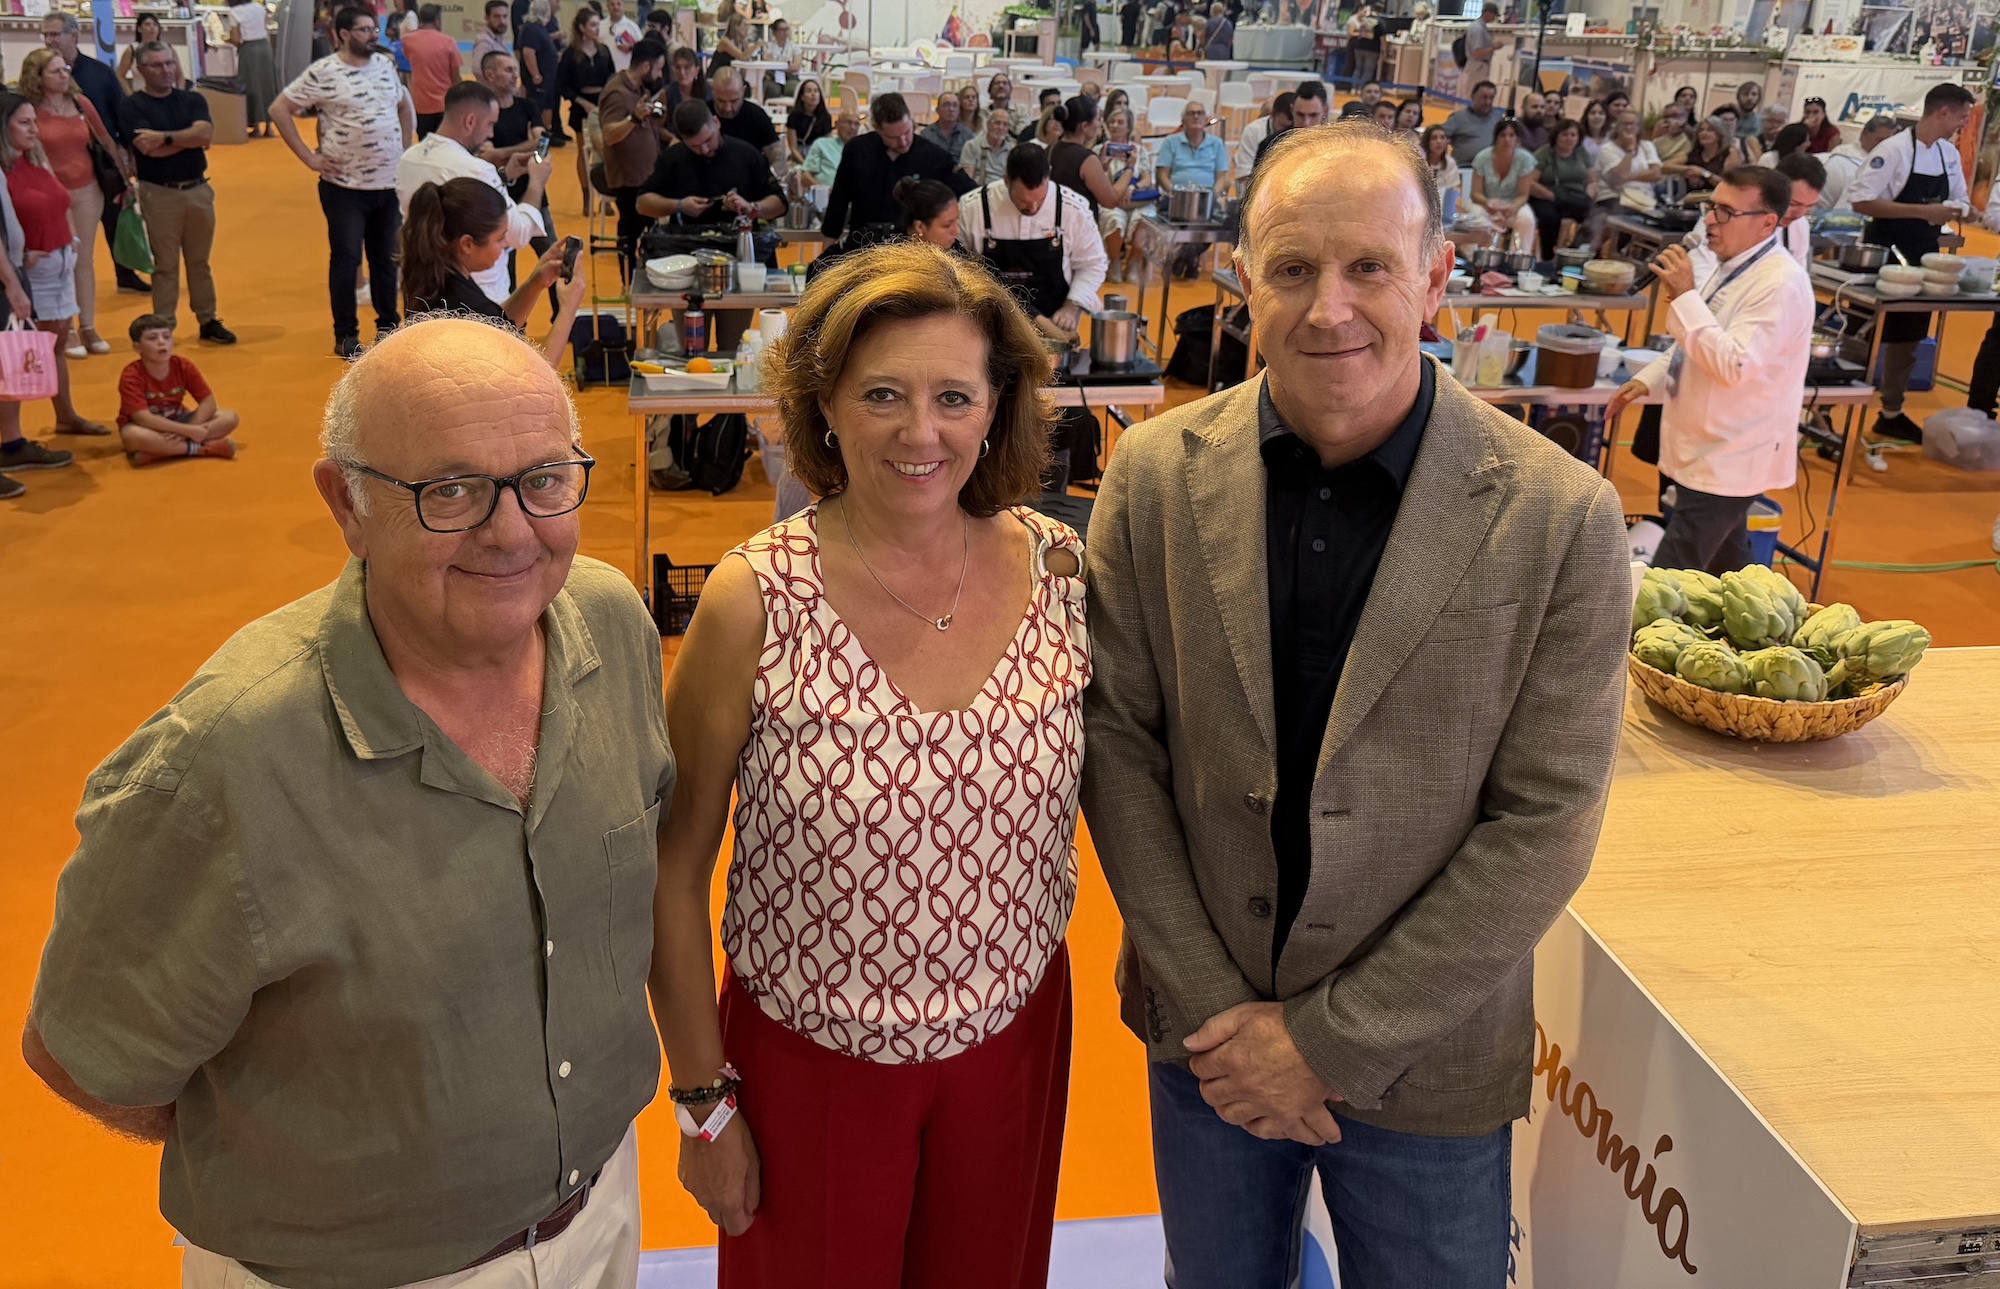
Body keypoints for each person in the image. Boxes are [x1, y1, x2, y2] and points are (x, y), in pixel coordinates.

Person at [1083, 118, 1631, 1287]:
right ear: (1242, 279)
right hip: (1206, 1031)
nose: (1327, 307)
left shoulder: (1557, 515)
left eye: (1368, 267)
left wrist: (1325, 1041)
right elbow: (1118, 744)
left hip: (1423, 1051)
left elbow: (1545, 819)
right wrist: (1219, 1009)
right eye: (1291, 267)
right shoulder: (1152, 475)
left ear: (1435, 276)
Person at [24, 316, 665, 1289]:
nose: (510, 532)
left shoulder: (609, 624)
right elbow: (85, 1053)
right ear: (346, 503)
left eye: (542, 479)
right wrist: (327, 1170)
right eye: (450, 490)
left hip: (602, 1211)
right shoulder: (226, 757)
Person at [652, 239, 1079, 1288]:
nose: (919, 432)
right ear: (825, 405)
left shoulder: (1062, 570)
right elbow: (671, 868)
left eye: (953, 396)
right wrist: (702, 1103)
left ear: (997, 407)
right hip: (808, 1063)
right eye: (882, 393)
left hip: (1011, 1046)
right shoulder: (755, 597)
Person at [1608, 166, 1811, 574]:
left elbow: (1734, 364)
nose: (1711, 220)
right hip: (1705, 444)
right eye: (1711, 207)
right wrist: (1646, 380)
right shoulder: (1733, 264)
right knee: (1729, 571)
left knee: (1670, 579)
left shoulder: (1780, 283)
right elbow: (1696, 339)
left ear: (1766, 223)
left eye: (1726, 212)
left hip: (1732, 452)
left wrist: (1685, 294)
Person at [272, 5, 415, 358]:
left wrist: (403, 148)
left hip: (387, 184)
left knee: (386, 260)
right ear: (344, 35)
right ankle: (345, 334)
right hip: (344, 187)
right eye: (364, 30)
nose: (372, 35)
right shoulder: (324, 72)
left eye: (374, 29)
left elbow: (403, 105)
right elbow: (280, 109)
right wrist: (310, 158)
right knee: (347, 259)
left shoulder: (385, 66)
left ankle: (388, 328)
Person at [1847, 82, 1976, 443]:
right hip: (1884, 252)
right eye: (1962, 117)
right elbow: (1861, 200)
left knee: (1909, 337)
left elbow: (1960, 199)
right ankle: (1829, 406)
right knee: (1864, 333)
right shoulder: (1893, 150)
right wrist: (1923, 211)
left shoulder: (1949, 154)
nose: (1963, 125)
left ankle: (1891, 411)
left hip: (1924, 254)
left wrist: (1963, 211)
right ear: (1942, 112)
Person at [0, 93, 109, 437]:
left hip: (60, 262)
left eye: (34, 121)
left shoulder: (35, 158)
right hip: (31, 270)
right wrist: (19, 263)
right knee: (21, 350)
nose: (35, 129)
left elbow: (60, 201)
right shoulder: (3, 171)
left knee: (57, 343)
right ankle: (12, 437)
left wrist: (71, 239)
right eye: (24, 123)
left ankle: (66, 416)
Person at [638, 99, 781, 350]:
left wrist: (751, 207)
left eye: (708, 141)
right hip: (687, 267)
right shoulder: (674, 158)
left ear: (716, 123)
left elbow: (779, 203)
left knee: (733, 348)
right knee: (692, 351)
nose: (704, 149)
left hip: (737, 264)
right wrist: (679, 205)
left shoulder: (746, 154)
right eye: (695, 146)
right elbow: (642, 203)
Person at [397, 79, 554, 304]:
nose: (490, 134)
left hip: (424, 289)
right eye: (490, 124)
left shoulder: (408, 159)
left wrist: (503, 176)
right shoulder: (476, 169)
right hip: (480, 295)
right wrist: (536, 182)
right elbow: (518, 233)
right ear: (470, 121)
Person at [400, 178, 586, 364]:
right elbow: (539, 377)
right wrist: (568, 311)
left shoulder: (432, 274)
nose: (506, 245)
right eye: (499, 239)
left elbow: (499, 326)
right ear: (467, 244)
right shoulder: (468, 307)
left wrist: (536, 282)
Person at [19, 48, 126, 359]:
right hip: (47, 200)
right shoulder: (29, 110)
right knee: (58, 262)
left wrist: (125, 179)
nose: (64, 75)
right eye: (56, 71)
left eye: (65, 69)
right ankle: (64, 329)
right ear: (38, 77)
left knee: (83, 260)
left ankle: (88, 325)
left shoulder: (80, 103)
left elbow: (105, 139)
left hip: (87, 190)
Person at [42, 10, 148, 296]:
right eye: (46, 35)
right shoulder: (38, 78)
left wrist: (128, 153)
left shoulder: (99, 73)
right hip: (60, 162)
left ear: (74, 36)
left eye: (55, 34)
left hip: (103, 157)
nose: (49, 41)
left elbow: (120, 113)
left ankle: (125, 273)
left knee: (115, 217)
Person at [0, 143, 78, 499]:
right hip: (12, 274)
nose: (33, 129)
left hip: (14, 271)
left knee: (7, 365)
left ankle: (12, 445)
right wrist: (12, 282)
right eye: (24, 121)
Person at [821, 92, 968, 248]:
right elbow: (839, 202)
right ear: (877, 128)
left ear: (911, 120)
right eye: (893, 137)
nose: (903, 142)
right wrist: (827, 248)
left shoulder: (935, 157)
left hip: (913, 251)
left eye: (907, 132)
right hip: (863, 246)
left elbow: (968, 194)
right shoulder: (857, 150)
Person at [115, 311, 239, 465]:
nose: (162, 342)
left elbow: (208, 402)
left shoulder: (183, 365)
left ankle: (160, 452)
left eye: (167, 337)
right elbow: (143, 418)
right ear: (137, 347)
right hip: (148, 427)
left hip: (179, 420)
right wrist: (189, 432)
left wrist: (190, 428)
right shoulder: (131, 375)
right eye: (152, 338)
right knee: (132, 437)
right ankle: (200, 448)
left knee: (229, 417)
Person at [596, 37, 669, 278]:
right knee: (629, 235)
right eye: (658, 68)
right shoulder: (616, 93)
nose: (659, 74)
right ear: (646, 66)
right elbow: (609, 135)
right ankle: (628, 283)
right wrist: (634, 119)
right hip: (629, 181)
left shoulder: (638, 90)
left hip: (646, 176)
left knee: (651, 236)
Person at [555, 8, 612, 207]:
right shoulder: (571, 54)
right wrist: (581, 101)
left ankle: (605, 196)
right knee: (584, 151)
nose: (597, 29)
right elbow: (562, 85)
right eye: (593, 25)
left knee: (606, 149)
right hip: (581, 107)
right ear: (582, 28)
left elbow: (612, 79)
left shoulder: (604, 51)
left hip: (604, 107)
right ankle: (586, 195)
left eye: (598, 25)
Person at [1048, 95, 1133, 225]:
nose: (1100, 125)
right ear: (1085, 126)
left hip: (1055, 223)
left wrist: (1100, 167)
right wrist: (1129, 168)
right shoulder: (1087, 159)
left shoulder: (1050, 149)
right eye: (1098, 119)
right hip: (1078, 228)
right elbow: (1111, 200)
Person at [1098, 105, 1153, 281]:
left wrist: (1131, 188)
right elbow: (1096, 179)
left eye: (1120, 122)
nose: (1115, 125)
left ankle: (1134, 262)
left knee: (1145, 218)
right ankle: (1114, 262)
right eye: (1112, 122)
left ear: (1128, 127)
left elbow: (1147, 178)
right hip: (1110, 199)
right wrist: (1104, 165)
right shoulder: (1100, 149)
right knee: (1113, 218)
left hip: (1135, 198)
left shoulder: (1139, 151)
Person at [1528, 115, 1596, 256]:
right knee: (1550, 217)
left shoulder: (1581, 152)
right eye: (1565, 134)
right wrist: (1552, 196)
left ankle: (1576, 251)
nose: (1569, 138)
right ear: (1556, 136)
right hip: (1546, 196)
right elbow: (1530, 183)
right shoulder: (1545, 153)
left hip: (1575, 196)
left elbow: (1592, 181)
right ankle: (1548, 256)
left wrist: (1588, 197)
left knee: (1595, 215)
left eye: (1573, 135)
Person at [1470, 116, 1538, 250]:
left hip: (1512, 203)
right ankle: (1473, 255)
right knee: (1475, 218)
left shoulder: (1525, 159)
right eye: (1503, 135)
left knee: (1526, 219)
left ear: (1517, 138)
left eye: (1511, 135)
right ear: (1496, 137)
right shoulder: (1482, 157)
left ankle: (1519, 256)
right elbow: (1475, 193)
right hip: (1485, 202)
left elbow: (1523, 195)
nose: (1507, 139)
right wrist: (1488, 204)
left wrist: (1512, 207)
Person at [1818, 113, 1898, 213]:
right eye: (1880, 140)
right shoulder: (1852, 167)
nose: (1885, 146)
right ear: (1863, 135)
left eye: (1889, 142)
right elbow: (1845, 214)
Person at [224, 0, 281, 137]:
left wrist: (225, 39)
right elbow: (265, 26)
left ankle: (255, 126)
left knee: (251, 85)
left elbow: (236, 38)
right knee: (267, 85)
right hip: (264, 48)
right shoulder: (259, 7)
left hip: (249, 50)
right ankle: (269, 126)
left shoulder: (234, 12)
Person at [708, 66, 780, 174]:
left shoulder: (757, 116)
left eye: (734, 101)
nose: (728, 108)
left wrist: (771, 180)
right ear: (712, 91)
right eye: (721, 101)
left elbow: (778, 157)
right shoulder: (702, 114)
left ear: (743, 91)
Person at [1596, 109, 1661, 213]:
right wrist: (1630, 150)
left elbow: (1656, 175)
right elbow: (1619, 177)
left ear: (1638, 128)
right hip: (1616, 196)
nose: (1629, 127)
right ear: (1617, 127)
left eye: (1632, 124)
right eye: (1625, 124)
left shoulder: (1647, 146)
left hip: (1644, 197)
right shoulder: (1607, 149)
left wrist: (1628, 177)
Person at [516, 0, 561, 144]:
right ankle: (533, 144)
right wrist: (535, 74)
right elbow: (528, 52)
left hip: (546, 83)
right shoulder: (532, 29)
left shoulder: (540, 28)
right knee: (535, 114)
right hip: (538, 84)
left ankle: (543, 142)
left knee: (546, 111)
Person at [1235, 92, 1292, 183]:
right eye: (1283, 127)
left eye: (1290, 128)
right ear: (1272, 115)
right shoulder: (1253, 131)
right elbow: (1243, 176)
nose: (1285, 132)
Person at [892, 173, 960, 248]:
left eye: (957, 220)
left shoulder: (957, 250)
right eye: (947, 225)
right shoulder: (888, 252)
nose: (957, 231)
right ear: (920, 227)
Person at [1442, 79, 1498, 167]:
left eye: (1491, 98)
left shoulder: (1498, 119)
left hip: (1489, 169)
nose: (1488, 102)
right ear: (1473, 97)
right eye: (1484, 97)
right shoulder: (1457, 118)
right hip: (1463, 167)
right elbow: (1439, 137)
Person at [1670, 115, 1735, 192]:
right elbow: (1665, 166)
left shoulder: (1729, 153)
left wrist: (1703, 173)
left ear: (1720, 134)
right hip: (1694, 197)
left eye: (1709, 130)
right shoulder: (1695, 154)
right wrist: (1689, 170)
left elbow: (1728, 184)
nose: (1704, 133)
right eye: (1701, 130)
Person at [959, 104, 1015, 186]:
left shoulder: (1013, 151)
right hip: (977, 189)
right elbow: (967, 180)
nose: (1001, 127)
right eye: (997, 123)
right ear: (988, 125)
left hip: (1003, 190)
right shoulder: (971, 146)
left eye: (1005, 124)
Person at [804, 106, 856, 187]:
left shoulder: (863, 149)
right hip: (825, 192)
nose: (853, 127)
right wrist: (824, 190)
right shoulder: (822, 144)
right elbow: (805, 177)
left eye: (857, 124)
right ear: (837, 124)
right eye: (848, 122)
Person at [117, 11, 168, 93]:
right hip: (141, 94)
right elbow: (120, 75)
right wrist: (130, 95)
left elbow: (179, 75)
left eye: (155, 25)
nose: (152, 27)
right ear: (139, 29)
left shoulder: (167, 48)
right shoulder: (132, 50)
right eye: (147, 25)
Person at [784, 77, 831, 165]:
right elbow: (793, 149)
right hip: (800, 155)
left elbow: (828, 145)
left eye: (816, 91)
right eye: (809, 91)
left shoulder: (826, 117)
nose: (813, 94)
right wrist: (805, 165)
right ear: (802, 97)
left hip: (818, 155)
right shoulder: (794, 117)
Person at [921, 89, 974, 163]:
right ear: (937, 110)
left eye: (955, 105)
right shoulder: (926, 134)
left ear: (959, 110)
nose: (951, 109)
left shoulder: (967, 135)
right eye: (946, 105)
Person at [757, 18, 801, 97]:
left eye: (786, 29)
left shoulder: (794, 47)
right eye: (781, 30)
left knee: (792, 89)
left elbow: (796, 67)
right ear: (774, 32)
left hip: (790, 77)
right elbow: (767, 62)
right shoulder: (768, 47)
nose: (785, 32)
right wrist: (786, 65)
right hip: (772, 77)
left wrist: (776, 65)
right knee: (772, 91)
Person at [665, 44, 711, 115]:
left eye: (687, 68)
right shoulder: (667, 94)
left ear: (696, 71)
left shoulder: (708, 93)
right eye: (678, 67)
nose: (682, 73)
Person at [1419, 122, 1460, 198]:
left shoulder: (1450, 163)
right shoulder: (1419, 162)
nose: (1439, 141)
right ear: (1427, 142)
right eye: (1434, 138)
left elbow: (1451, 191)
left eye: (1442, 137)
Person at [1462, 2, 1497, 89]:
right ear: (1488, 13)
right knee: (1473, 92)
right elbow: (1477, 53)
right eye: (1494, 14)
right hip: (1477, 67)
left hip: (1480, 66)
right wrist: (1494, 47)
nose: (1494, 18)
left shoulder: (1481, 27)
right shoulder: (1478, 29)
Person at [1346, 5, 1380, 86]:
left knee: (1360, 68)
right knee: (1358, 67)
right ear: (1359, 10)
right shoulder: (1353, 20)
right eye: (1364, 12)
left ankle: (1356, 86)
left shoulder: (1363, 20)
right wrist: (1361, 34)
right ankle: (1355, 86)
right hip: (1354, 44)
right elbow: (1350, 33)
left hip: (1359, 45)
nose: (1365, 14)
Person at [471, 0, 513, 66]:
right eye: (497, 16)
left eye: (505, 16)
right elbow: (478, 69)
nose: (502, 21)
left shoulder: (500, 38)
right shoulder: (484, 42)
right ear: (487, 18)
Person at [604, 0, 643, 71]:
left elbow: (642, 49)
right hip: (605, 71)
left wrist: (631, 47)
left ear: (623, 5)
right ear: (607, 6)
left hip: (627, 70)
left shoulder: (633, 27)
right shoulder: (600, 26)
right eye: (612, 4)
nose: (616, 7)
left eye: (618, 4)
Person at [708, 13, 750, 77]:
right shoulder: (725, 42)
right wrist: (757, 45)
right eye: (744, 25)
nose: (747, 28)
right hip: (717, 77)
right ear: (736, 27)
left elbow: (744, 64)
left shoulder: (742, 43)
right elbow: (742, 56)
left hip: (730, 77)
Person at [1579, 96, 1609, 161]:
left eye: (1601, 113)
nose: (1596, 116)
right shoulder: (1580, 138)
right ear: (1586, 117)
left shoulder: (1611, 137)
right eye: (1593, 113)